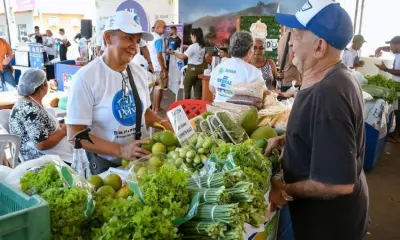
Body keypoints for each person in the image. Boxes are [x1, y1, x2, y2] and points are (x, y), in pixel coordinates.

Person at [266, 1, 370, 239]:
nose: (291, 41)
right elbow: (328, 134)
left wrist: (283, 189)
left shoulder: (328, 93)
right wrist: (288, 139)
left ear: (319, 47)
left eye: (298, 35)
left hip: (330, 227)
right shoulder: (337, 75)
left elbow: (337, 184)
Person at [65, 11, 172, 174]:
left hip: (139, 163)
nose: (134, 47)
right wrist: (121, 150)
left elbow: (144, 112)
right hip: (104, 168)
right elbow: (75, 135)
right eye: (128, 37)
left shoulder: (140, 74)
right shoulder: (86, 78)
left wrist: (165, 125)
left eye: (137, 41)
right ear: (108, 37)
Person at [9, 69, 73, 163]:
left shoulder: (27, 102)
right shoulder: (31, 111)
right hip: (39, 159)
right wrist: (63, 131)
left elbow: (41, 126)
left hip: (49, 152)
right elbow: (41, 144)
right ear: (43, 86)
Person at [209, 31, 266, 102]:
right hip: (241, 112)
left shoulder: (220, 66)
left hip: (217, 110)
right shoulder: (253, 72)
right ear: (249, 51)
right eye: (253, 48)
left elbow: (212, 88)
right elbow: (262, 96)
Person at [168, 28, 206, 99]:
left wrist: (173, 52)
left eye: (191, 36)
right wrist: (188, 47)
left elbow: (182, 57)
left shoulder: (193, 46)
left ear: (194, 36)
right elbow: (196, 50)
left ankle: (186, 107)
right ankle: (197, 108)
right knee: (198, 91)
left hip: (192, 70)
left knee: (187, 89)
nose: (191, 38)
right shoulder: (202, 46)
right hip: (200, 69)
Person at [375, 36, 400, 143]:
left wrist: (385, 69)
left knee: (399, 112)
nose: (390, 48)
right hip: (396, 85)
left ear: (397, 45)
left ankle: (396, 136)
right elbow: (388, 49)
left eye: (391, 45)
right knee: (396, 110)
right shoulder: (397, 53)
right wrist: (379, 48)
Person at [148, 20, 168, 113]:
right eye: (164, 27)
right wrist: (164, 69)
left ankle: (156, 108)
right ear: (158, 27)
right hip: (158, 67)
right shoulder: (158, 39)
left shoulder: (151, 37)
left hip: (154, 66)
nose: (165, 29)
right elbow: (159, 56)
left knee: (158, 88)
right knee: (158, 88)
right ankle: (156, 108)